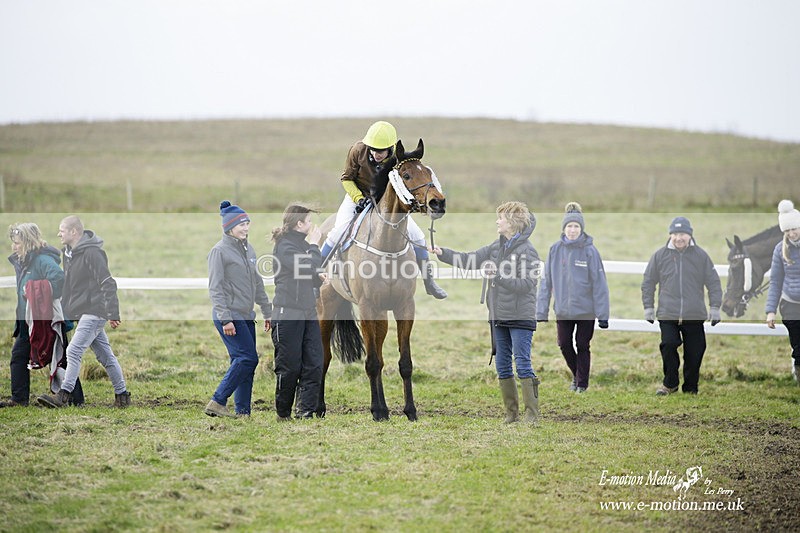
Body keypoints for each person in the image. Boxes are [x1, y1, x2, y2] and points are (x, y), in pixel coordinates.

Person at [431, 201, 541, 424]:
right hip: (498, 317)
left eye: (500, 218)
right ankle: (512, 415)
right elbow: (469, 259)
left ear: (511, 222)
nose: (497, 221)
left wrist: (497, 275)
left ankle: (532, 415)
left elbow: (527, 284)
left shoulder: (528, 251)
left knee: (522, 363)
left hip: (520, 317)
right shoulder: (495, 247)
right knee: (501, 363)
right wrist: (443, 254)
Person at [320, 120, 447, 300]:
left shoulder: (396, 159)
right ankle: (314, 273)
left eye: (380, 150)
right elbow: (347, 179)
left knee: (418, 236)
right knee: (337, 231)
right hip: (356, 196)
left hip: (383, 201)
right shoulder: (357, 150)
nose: (375, 153)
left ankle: (429, 281)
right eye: (372, 149)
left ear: (390, 148)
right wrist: (358, 198)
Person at [38, 216, 130, 408]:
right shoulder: (69, 253)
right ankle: (122, 396)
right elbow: (70, 286)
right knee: (106, 356)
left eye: (62, 230)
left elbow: (107, 282)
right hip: (83, 312)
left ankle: (63, 395)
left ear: (74, 232)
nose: (58, 234)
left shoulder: (93, 253)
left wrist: (113, 312)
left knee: (73, 351)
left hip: (95, 311)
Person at [1, 223, 84, 407]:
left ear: (28, 242)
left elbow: (59, 280)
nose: (14, 247)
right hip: (27, 322)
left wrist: (37, 294)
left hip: (46, 321)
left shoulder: (42, 260)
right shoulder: (23, 261)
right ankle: (18, 399)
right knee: (19, 356)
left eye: (17, 243)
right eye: (13, 243)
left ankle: (76, 399)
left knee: (61, 357)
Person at [205, 201, 272, 418]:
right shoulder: (219, 252)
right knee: (248, 358)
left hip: (245, 315)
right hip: (229, 315)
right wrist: (226, 319)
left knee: (244, 362)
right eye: (241, 224)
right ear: (229, 227)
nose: (245, 228)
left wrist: (267, 310)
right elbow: (215, 288)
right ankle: (217, 400)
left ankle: (243, 411)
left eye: (247, 223)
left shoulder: (248, 250)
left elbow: (257, 283)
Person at [641, 217, 722, 395]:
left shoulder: (701, 256)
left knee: (695, 352)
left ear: (689, 235)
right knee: (668, 345)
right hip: (667, 314)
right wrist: (648, 307)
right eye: (675, 234)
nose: (679, 238)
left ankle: (690, 388)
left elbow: (713, 283)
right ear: (670, 235)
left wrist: (715, 307)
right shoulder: (660, 256)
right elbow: (648, 282)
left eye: (683, 234)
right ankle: (670, 384)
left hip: (694, 314)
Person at [536, 202, 610, 393]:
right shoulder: (555, 249)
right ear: (564, 228)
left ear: (581, 229)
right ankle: (578, 375)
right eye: (569, 226)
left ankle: (582, 384)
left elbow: (600, 284)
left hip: (586, 310)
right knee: (563, 344)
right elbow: (547, 281)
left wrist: (603, 314)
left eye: (576, 226)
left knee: (583, 345)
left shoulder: (590, 251)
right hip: (563, 310)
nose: (572, 230)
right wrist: (541, 310)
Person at [270, 203, 327, 420]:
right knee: (290, 366)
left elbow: (308, 271)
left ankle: (306, 410)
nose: (312, 225)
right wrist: (314, 245)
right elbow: (305, 265)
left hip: (307, 312)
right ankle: (283, 413)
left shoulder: (302, 246)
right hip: (287, 314)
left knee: (314, 363)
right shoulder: (285, 247)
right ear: (299, 224)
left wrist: (318, 277)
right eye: (309, 221)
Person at [765, 199, 800, 384]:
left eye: (794, 229)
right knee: (798, 347)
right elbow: (776, 282)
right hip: (791, 306)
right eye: (787, 230)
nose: (792, 233)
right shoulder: (780, 250)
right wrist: (771, 311)